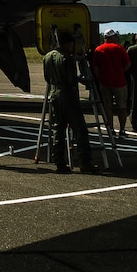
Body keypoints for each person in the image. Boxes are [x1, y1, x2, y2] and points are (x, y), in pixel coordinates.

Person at [41, 30, 94, 173]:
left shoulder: (47, 57)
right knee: (80, 129)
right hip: (67, 95)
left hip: (54, 94)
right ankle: (85, 163)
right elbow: (71, 80)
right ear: (68, 44)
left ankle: (59, 163)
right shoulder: (67, 58)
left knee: (57, 129)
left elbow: (47, 77)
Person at [91, 32, 130, 136]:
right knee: (122, 107)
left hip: (105, 82)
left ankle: (111, 129)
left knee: (108, 107)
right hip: (119, 82)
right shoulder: (119, 48)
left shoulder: (98, 49)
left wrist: (100, 78)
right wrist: (120, 71)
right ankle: (122, 129)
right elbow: (128, 63)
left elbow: (95, 67)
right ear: (112, 37)